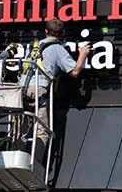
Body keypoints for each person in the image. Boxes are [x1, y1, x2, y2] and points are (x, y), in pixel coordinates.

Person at [22, 18, 90, 157]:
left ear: (46, 31)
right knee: (41, 130)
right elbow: (75, 72)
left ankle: (15, 159)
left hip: (21, 88)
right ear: (62, 33)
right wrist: (83, 54)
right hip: (39, 90)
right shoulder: (58, 49)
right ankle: (34, 164)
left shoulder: (33, 46)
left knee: (20, 129)